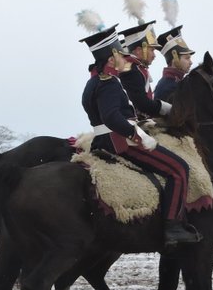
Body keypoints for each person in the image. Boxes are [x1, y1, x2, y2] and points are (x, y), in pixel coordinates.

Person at [79, 25, 200, 246]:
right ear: (112, 56)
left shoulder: (95, 81)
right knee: (179, 169)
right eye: (122, 55)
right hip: (119, 142)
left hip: (105, 140)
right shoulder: (109, 83)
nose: (127, 59)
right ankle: (173, 227)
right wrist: (138, 135)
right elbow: (112, 117)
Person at [118, 20, 172, 120]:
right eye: (151, 50)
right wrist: (168, 109)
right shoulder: (130, 70)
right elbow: (142, 104)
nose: (154, 55)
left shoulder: (135, 67)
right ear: (139, 50)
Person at [153, 26, 196, 102]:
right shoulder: (167, 87)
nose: (191, 62)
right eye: (187, 58)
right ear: (175, 59)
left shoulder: (177, 83)